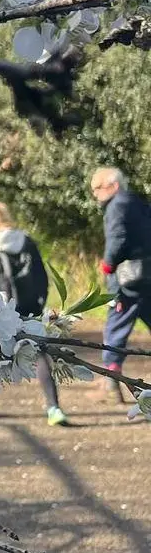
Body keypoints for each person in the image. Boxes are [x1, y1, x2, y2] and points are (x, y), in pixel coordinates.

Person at [0, 201, 67, 426]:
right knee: (39, 353)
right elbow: (41, 275)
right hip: (29, 304)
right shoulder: (25, 240)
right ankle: (54, 408)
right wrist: (39, 302)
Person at [91, 167, 151, 403]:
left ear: (113, 186)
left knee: (116, 325)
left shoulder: (117, 205)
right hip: (148, 275)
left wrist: (108, 264)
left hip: (127, 280)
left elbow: (117, 238)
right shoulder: (139, 203)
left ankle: (111, 377)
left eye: (98, 187)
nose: (95, 194)